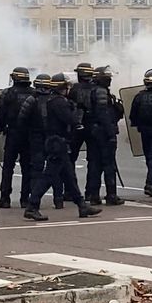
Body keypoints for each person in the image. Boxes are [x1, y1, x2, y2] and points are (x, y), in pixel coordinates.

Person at [24, 73, 101, 221]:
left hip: (57, 142)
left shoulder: (52, 100)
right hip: (57, 144)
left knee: (69, 177)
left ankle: (82, 206)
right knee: (48, 177)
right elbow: (71, 120)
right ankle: (32, 206)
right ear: (62, 87)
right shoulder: (59, 102)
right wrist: (78, 111)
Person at [17, 73, 63, 208]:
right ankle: (58, 199)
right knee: (55, 169)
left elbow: (22, 119)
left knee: (36, 170)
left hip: (36, 138)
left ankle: (31, 200)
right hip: (53, 139)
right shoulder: (56, 100)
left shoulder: (31, 100)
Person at [0, 67, 34, 208]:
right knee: (27, 168)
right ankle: (25, 198)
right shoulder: (33, 93)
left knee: (8, 167)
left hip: (13, 134)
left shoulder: (8, 93)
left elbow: (0, 114)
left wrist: (0, 128)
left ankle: (5, 198)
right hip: (29, 136)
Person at [86, 66, 125, 206]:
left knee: (96, 165)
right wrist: (110, 133)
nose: (110, 80)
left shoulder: (96, 91)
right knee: (108, 165)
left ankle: (94, 195)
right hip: (103, 132)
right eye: (107, 77)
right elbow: (103, 114)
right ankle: (111, 195)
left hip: (95, 132)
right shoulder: (101, 92)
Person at [65, 62, 96, 201]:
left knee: (70, 159)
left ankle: (70, 191)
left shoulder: (74, 89)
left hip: (75, 128)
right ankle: (91, 192)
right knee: (94, 160)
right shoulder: (96, 89)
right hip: (93, 127)